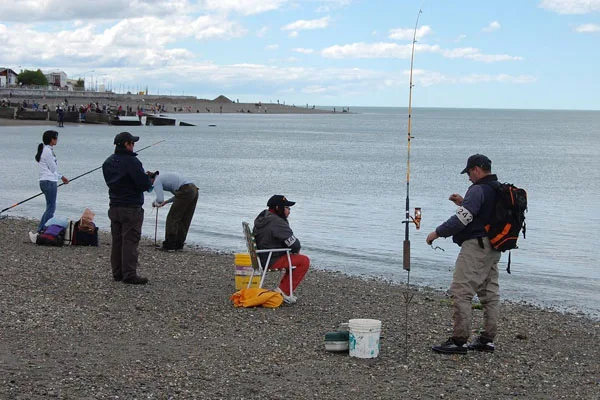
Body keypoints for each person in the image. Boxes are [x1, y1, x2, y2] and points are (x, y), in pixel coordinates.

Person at [426, 154, 502, 354]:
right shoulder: (497, 188)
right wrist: (463, 202)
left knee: (461, 291)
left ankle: (458, 340)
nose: (468, 177)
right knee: (489, 293)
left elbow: (461, 221)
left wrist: (436, 233)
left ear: (476, 169)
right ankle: (487, 339)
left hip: (476, 247)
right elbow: (483, 213)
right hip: (494, 247)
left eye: (469, 173)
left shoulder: (477, 190)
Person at [102, 132, 153, 285]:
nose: (134, 145)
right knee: (130, 241)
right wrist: (149, 179)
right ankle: (129, 275)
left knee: (117, 241)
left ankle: (117, 273)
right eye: (132, 143)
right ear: (126, 144)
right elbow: (143, 185)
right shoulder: (132, 161)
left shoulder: (108, 162)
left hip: (114, 206)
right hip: (131, 207)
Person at [252, 195, 310, 304]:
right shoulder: (277, 222)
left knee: (293, 257)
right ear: (279, 208)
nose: (289, 211)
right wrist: (295, 251)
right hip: (271, 259)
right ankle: (283, 292)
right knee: (304, 261)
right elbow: (294, 243)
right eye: (287, 208)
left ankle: (283, 290)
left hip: (261, 258)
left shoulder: (264, 217)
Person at [147, 171, 199, 251]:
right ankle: (179, 245)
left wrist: (155, 203)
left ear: (151, 179)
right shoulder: (164, 178)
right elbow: (178, 195)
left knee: (172, 218)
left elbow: (160, 199)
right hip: (194, 189)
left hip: (186, 190)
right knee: (185, 219)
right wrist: (166, 202)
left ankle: (169, 245)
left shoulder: (157, 181)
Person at [32, 130, 69, 234]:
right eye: (55, 138)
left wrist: (61, 177)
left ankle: (42, 229)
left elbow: (52, 169)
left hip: (46, 181)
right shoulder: (47, 151)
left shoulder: (46, 150)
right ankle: (42, 230)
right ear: (51, 139)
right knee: (51, 208)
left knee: (50, 207)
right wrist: (62, 177)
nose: (57, 140)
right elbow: (53, 169)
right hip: (49, 181)